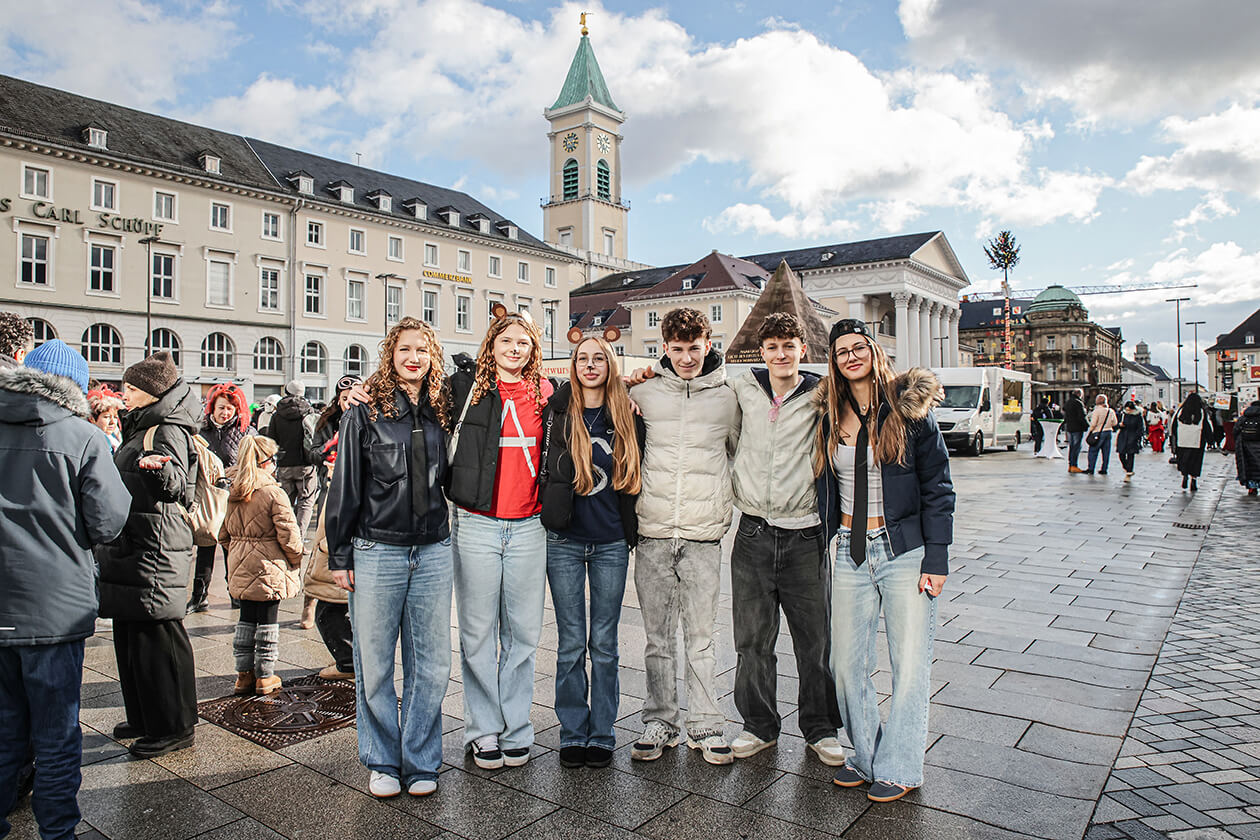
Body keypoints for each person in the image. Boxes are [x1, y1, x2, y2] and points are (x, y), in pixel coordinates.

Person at [815, 318, 954, 803]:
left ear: (874, 351)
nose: (850, 356)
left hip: (903, 552)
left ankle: (900, 766)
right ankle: (867, 757)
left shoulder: (909, 409)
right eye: (841, 351)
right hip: (850, 550)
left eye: (858, 347)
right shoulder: (830, 412)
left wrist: (937, 558)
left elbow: (939, 488)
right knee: (846, 663)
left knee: (910, 663)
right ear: (833, 361)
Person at [0, 340, 130, 840]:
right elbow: (108, 521)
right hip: (53, 609)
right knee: (56, 732)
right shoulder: (84, 437)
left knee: (5, 725)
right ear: (73, 387)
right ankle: (58, 832)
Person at [327, 317, 453, 799]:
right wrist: (340, 554)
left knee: (431, 662)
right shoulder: (366, 410)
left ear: (433, 356)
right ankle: (382, 759)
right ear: (391, 355)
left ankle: (420, 759)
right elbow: (346, 484)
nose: (414, 358)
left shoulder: (444, 407)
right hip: (377, 547)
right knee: (375, 663)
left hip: (433, 548)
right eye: (404, 350)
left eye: (422, 350)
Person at [725, 313, 846, 766]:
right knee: (752, 639)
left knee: (814, 642)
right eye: (772, 346)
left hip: (805, 534)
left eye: (788, 346)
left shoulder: (821, 393)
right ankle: (759, 725)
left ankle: (820, 729)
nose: (781, 354)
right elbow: (692, 377)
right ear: (762, 352)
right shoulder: (743, 387)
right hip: (753, 531)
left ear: (802, 350)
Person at [628, 307, 740, 766]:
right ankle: (660, 720)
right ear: (664, 348)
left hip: (702, 532)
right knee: (656, 637)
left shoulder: (728, 397)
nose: (687, 357)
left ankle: (706, 723)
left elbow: (741, 451)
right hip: (653, 527)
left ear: (708, 345)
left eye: (695, 348)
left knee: (701, 635)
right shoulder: (645, 392)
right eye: (677, 349)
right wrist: (627, 385)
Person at [445, 311, 553, 770]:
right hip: (477, 523)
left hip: (530, 525)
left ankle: (516, 728)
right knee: (477, 633)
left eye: (523, 344)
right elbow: (404, 388)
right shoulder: (464, 389)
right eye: (506, 341)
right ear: (491, 345)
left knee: (523, 636)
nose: (515, 349)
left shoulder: (548, 393)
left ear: (533, 351)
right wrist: (353, 393)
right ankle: (483, 730)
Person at [539, 336, 645, 770]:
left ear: (610, 364)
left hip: (610, 542)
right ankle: (572, 732)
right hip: (564, 540)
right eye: (582, 358)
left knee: (603, 643)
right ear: (573, 365)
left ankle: (601, 733)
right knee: (569, 644)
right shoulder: (557, 411)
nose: (589, 365)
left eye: (598, 358)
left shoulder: (628, 412)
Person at [96, 351, 201, 758]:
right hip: (135, 540)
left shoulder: (167, 428)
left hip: (156, 544)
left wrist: (158, 469)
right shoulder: (142, 423)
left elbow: (176, 482)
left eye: (133, 389)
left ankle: (174, 725)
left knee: (157, 634)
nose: (125, 395)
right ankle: (144, 715)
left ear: (153, 393)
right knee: (131, 632)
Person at [219, 436, 304, 696]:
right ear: (265, 462)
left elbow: (222, 534)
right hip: (270, 564)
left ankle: (244, 675)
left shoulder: (232, 491)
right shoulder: (273, 492)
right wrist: (295, 559)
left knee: (246, 619)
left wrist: (239, 551)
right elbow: (289, 534)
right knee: (268, 621)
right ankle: (265, 675)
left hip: (240, 562)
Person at [304, 375, 361, 681]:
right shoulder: (328, 423)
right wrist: (329, 450)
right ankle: (349, 658)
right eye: (344, 397)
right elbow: (312, 453)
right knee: (327, 573)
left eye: (354, 395)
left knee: (333, 588)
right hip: (330, 497)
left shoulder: (367, 421)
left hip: (349, 505)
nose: (348, 400)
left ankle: (349, 660)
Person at [187, 383, 255, 614]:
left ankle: (234, 593)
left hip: (232, 497)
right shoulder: (200, 430)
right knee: (205, 545)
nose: (226, 413)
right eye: (222, 407)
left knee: (230, 548)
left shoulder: (245, 430)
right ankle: (199, 596)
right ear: (212, 407)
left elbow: (253, 462)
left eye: (230, 409)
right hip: (206, 496)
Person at [270, 380, 320, 628]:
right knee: (307, 503)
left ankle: (286, 537)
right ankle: (299, 538)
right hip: (306, 463)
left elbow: (270, 439)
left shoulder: (277, 413)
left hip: (285, 464)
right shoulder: (308, 412)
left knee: (285, 503)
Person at [1171, 392, 1211, 492]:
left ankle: (1185, 475)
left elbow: (1174, 426)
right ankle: (1194, 480)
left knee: (1184, 460)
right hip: (1197, 440)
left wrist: (1174, 438)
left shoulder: (1181, 411)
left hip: (1183, 440)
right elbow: (1206, 426)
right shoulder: (1201, 412)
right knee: (1195, 461)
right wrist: (1210, 440)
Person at [1085, 394, 1118, 475]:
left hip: (1098, 432)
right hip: (1108, 432)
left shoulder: (1096, 411)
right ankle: (1104, 469)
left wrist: (1091, 431)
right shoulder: (1110, 411)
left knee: (1093, 451)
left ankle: (1091, 468)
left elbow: (1093, 423)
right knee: (1106, 452)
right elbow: (1115, 423)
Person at [86, 384, 125, 452]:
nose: (112, 422)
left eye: (115, 417)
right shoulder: (91, 441)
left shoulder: (117, 438)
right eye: (107, 417)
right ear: (92, 418)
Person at [1115, 401, 1146, 482]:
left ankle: (1129, 472)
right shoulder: (1123, 415)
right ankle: (1126, 468)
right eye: (1127, 410)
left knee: (1130, 455)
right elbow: (1116, 425)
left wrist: (1137, 437)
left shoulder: (1138, 416)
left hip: (1132, 437)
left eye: (1129, 410)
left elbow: (1141, 429)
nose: (1128, 411)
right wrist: (1119, 425)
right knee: (1121, 454)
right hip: (1123, 436)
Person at [1234, 400, 1260, 495]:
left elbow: (1236, 430)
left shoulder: (1244, 417)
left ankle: (1251, 487)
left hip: (1245, 446)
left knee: (1248, 467)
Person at [1063, 388, 1088, 473]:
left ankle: (1070, 465)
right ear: (1079, 394)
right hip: (1077, 427)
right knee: (1076, 447)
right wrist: (1087, 425)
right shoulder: (1078, 403)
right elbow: (1082, 416)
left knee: (1072, 446)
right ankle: (1074, 465)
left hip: (1069, 427)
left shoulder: (1068, 402)